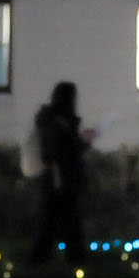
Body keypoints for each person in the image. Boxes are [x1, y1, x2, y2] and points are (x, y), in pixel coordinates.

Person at [31, 81, 95, 264]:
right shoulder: (56, 123)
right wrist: (82, 143)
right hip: (61, 182)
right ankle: (72, 262)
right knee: (64, 224)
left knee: (51, 225)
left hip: (56, 182)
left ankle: (42, 263)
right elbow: (59, 153)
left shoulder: (53, 121)